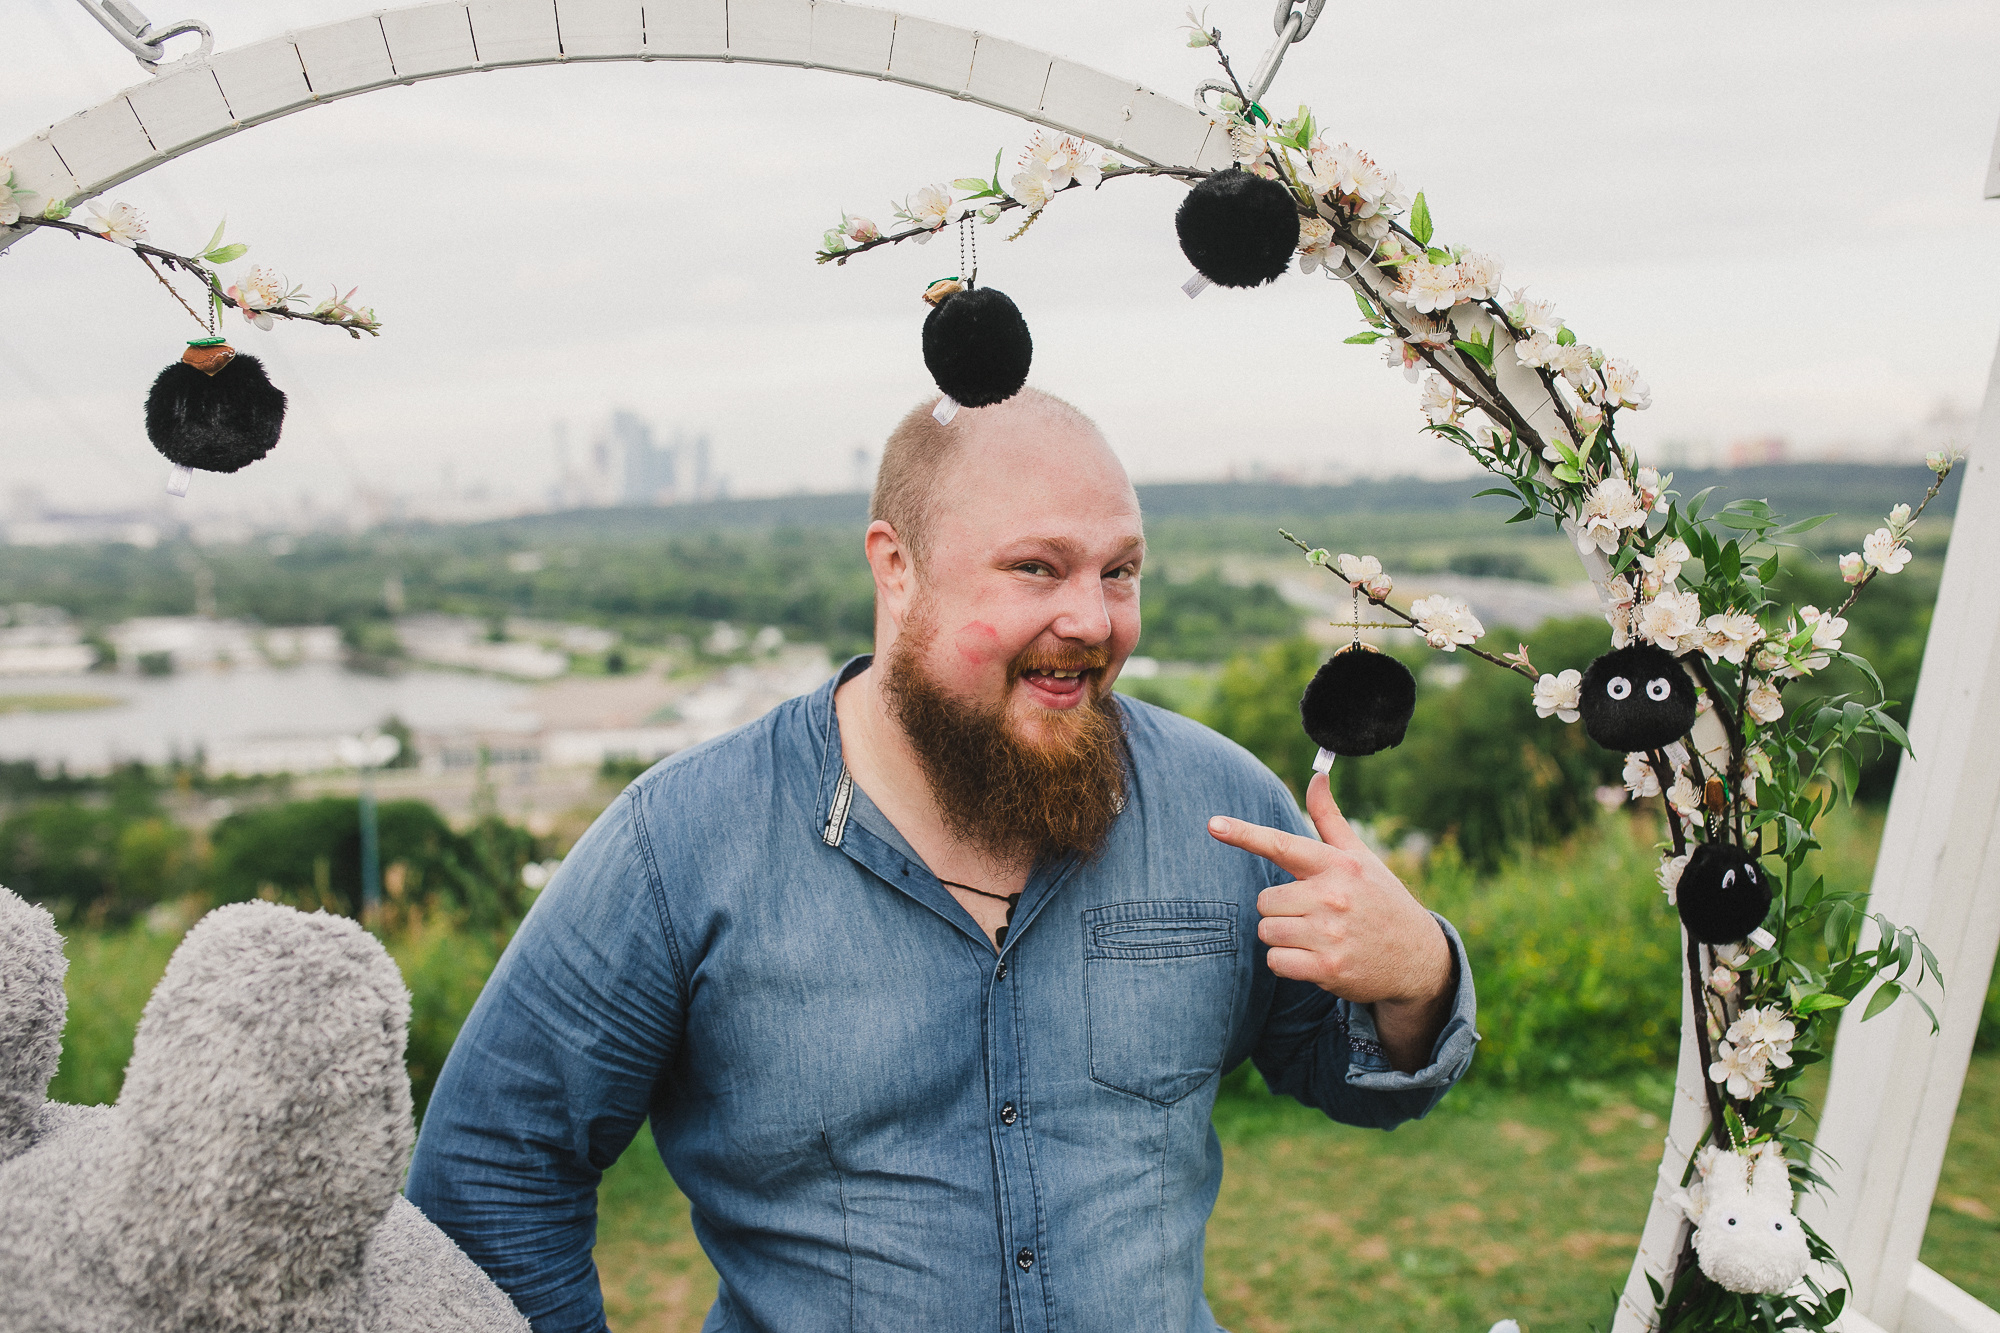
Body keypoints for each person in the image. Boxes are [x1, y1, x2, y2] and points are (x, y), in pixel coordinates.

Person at [407, 389, 1477, 1333]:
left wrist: (1414, 973)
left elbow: (1354, 1078)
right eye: (1036, 568)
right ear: (895, 567)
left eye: (1120, 571)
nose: (1092, 618)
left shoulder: (1220, 807)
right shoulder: (676, 844)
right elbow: (493, 1167)